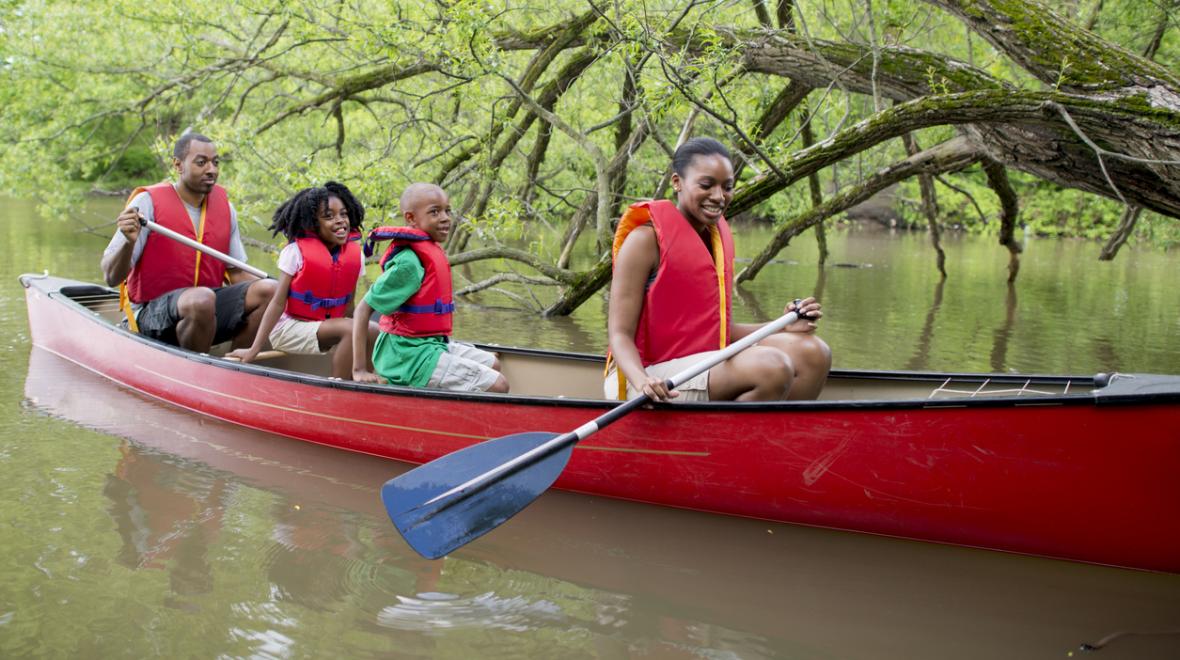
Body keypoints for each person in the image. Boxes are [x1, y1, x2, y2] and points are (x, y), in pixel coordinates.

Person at [605, 137, 831, 402]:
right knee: (772, 366)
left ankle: (775, 439)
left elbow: (716, 330)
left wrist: (783, 326)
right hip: (643, 378)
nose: (718, 196)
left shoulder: (715, 240)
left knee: (814, 353)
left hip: (700, 364)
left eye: (727, 187)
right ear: (677, 182)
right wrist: (643, 381)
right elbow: (619, 334)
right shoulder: (644, 241)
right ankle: (731, 440)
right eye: (706, 185)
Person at [101, 132, 276, 352]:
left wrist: (287, 294)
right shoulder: (146, 203)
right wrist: (128, 243)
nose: (211, 170)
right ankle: (198, 370)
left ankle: (237, 365)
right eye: (201, 163)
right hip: (150, 315)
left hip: (204, 309)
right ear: (178, 165)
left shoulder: (226, 209)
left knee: (270, 290)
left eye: (215, 162)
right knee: (202, 299)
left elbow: (238, 274)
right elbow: (110, 277)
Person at [351, 183, 509, 393]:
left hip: (430, 344)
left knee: (493, 363)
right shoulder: (407, 265)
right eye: (435, 212)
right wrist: (359, 369)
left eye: (447, 210)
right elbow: (362, 310)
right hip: (406, 356)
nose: (445, 218)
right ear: (410, 218)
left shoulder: (428, 249)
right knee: (500, 384)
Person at [226, 182, 378, 379]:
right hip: (288, 329)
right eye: (329, 216)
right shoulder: (295, 252)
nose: (340, 221)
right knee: (351, 329)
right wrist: (254, 349)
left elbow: (348, 305)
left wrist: (348, 332)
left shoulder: (355, 255)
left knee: (372, 329)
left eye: (344, 214)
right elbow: (278, 302)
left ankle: (364, 385)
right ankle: (342, 392)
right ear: (313, 223)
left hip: (324, 326)